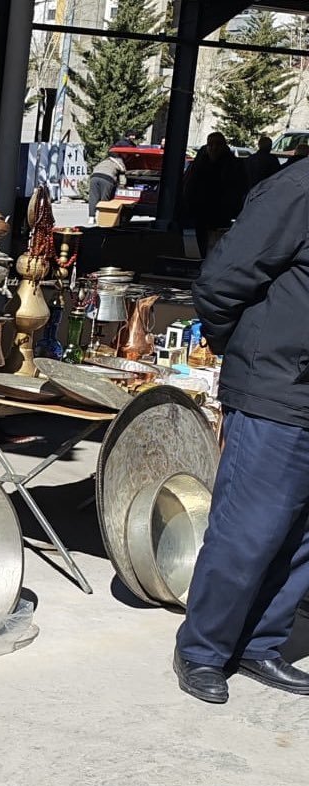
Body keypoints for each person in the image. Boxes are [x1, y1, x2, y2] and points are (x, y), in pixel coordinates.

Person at [173, 155, 309, 704]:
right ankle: (203, 650)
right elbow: (221, 282)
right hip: (278, 388)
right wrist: (247, 353)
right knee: (249, 531)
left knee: (300, 541)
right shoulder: (298, 189)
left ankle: (260, 644)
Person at [180, 131, 246, 255]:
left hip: (220, 214)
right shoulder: (199, 164)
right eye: (210, 144)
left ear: (224, 146)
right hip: (200, 213)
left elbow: (236, 190)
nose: (214, 148)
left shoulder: (233, 165)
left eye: (218, 144)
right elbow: (189, 186)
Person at [87, 139, 130, 225]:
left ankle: (91, 218)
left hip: (94, 177)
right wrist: (123, 186)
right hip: (107, 178)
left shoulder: (105, 160)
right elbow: (122, 173)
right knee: (105, 199)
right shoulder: (119, 161)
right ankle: (101, 217)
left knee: (93, 197)